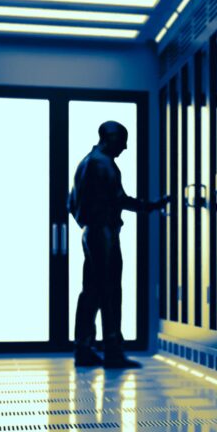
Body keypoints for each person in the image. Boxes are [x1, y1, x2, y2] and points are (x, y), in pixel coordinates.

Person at [68, 121, 168, 368]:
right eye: (122, 140)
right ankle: (112, 350)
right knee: (110, 291)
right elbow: (120, 199)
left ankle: (83, 347)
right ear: (109, 138)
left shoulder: (85, 163)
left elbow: (71, 203)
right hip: (103, 232)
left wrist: (88, 222)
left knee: (90, 290)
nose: (125, 147)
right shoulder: (103, 164)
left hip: (90, 231)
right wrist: (152, 206)